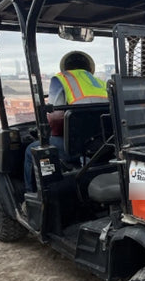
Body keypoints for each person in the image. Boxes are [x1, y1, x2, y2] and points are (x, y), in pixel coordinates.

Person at [23, 50, 107, 191]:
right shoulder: (101, 83)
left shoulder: (60, 79)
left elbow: (55, 119)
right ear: (89, 68)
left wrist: (48, 133)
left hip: (77, 147)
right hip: (103, 144)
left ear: (65, 67)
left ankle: (30, 196)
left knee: (30, 150)